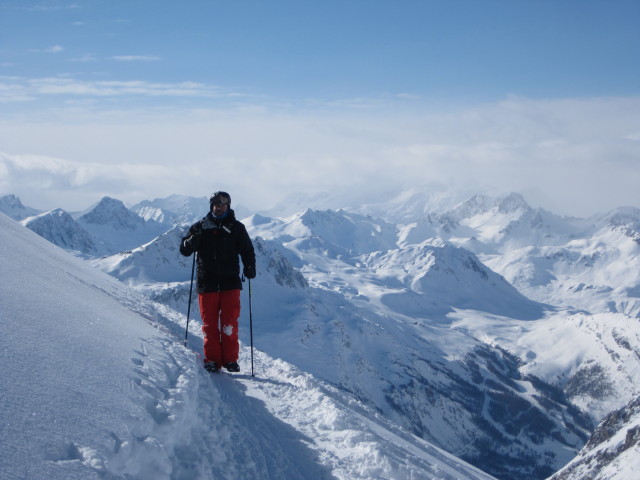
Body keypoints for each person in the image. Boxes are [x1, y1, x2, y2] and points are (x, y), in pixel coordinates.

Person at [180, 191, 256, 373]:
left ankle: (230, 360)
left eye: (223, 203)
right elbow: (184, 250)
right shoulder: (200, 227)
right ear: (211, 205)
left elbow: (247, 250)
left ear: (228, 205)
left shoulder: (237, 228)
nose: (219, 206)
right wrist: (194, 240)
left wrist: (250, 266)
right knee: (210, 325)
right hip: (207, 282)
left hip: (230, 282)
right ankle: (212, 359)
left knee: (229, 323)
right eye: (216, 203)